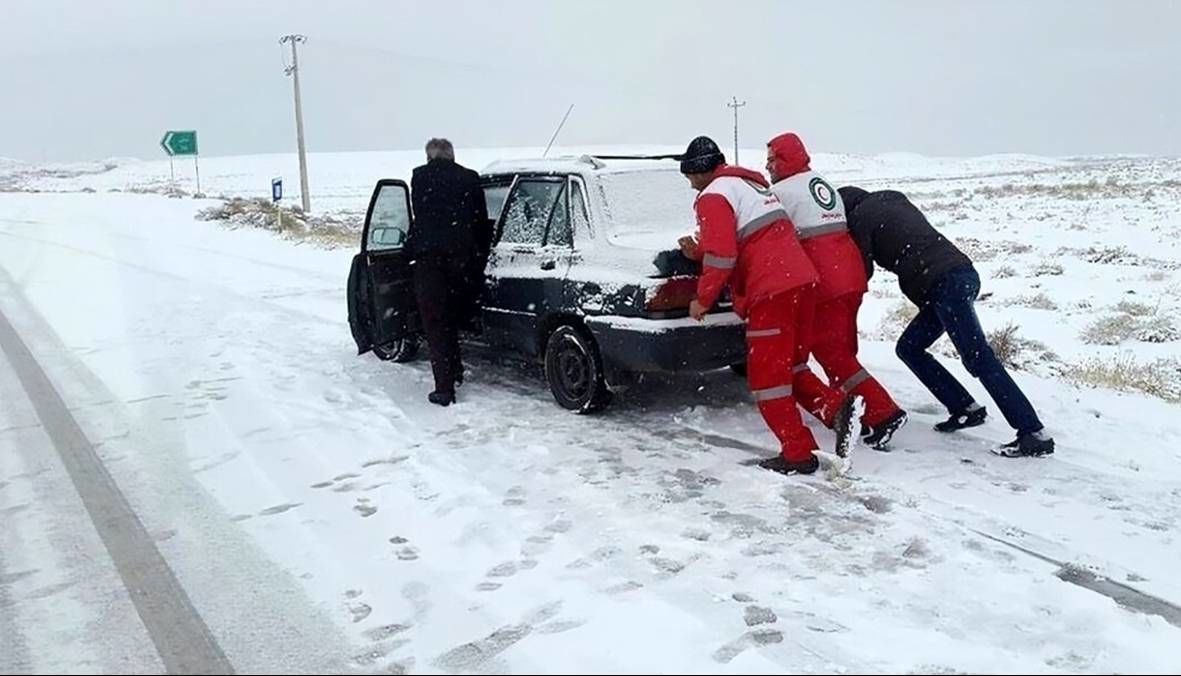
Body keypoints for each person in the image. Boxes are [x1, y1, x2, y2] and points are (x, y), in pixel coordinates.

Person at [681, 136, 855, 475]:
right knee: (792, 366)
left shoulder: (713, 195)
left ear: (700, 171)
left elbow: (722, 256)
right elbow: (748, 237)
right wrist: (698, 251)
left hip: (771, 290)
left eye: (689, 176)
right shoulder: (750, 186)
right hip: (802, 281)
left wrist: (702, 300)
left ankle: (798, 453)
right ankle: (836, 410)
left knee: (767, 379)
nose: (690, 184)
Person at [840, 186, 1055, 457]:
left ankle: (1033, 433)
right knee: (910, 348)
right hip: (961, 274)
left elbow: (861, 270)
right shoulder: (892, 198)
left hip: (944, 284)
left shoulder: (860, 217)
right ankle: (965, 408)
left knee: (978, 357)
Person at [765, 133, 907, 449]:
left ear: (786, 159)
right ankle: (856, 409)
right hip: (850, 275)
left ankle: (883, 413)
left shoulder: (782, 192)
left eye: (772, 159)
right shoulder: (820, 183)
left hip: (826, 282)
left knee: (832, 354)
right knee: (843, 350)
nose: (768, 166)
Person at [407, 138, 490, 407]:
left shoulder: (420, 177)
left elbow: (420, 216)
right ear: (452, 156)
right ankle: (455, 370)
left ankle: (444, 388)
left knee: (436, 322)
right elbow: (481, 220)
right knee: (453, 317)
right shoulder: (470, 178)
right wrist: (478, 255)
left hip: (430, 261)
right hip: (463, 261)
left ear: (429, 157)